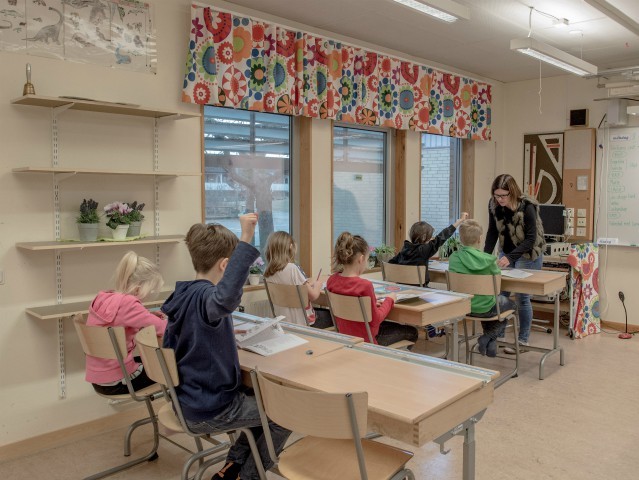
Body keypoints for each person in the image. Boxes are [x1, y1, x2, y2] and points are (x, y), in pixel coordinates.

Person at [161, 214, 290, 480]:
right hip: (210, 407)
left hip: (188, 400)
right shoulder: (208, 298)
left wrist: (226, 330)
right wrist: (245, 237)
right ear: (225, 265)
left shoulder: (183, 293)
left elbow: (197, 330)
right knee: (285, 414)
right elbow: (224, 299)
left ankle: (233, 467)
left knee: (260, 402)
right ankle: (250, 475)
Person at [85, 251, 166, 395]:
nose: (150, 294)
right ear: (138, 287)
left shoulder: (105, 298)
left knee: (150, 359)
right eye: (151, 289)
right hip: (119, 381)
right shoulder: (129, 304)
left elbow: (126, 319)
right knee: (170, 365)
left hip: (100, 378)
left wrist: (148, 315)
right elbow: (163, 329)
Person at [484, 174, 545, 353]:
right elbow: (492, 232)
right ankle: (500, 335)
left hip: (528, 253)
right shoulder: (494, 204)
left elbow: (531, 239)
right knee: (502, 294)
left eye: (504, 195)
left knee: (522, 297)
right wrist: (484, 258)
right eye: (497, 195)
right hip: (507, 251)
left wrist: (510, 257)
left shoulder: (527, 207)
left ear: (513, 192)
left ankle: (523, 340)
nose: (500, 199)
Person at [326, 232, 418, 346]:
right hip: (367, 340)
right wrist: (390, 300)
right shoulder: (365, 286)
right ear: (361, 259)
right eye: (368, 259)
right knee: (412, 332)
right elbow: (376, 320)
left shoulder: (331, 281)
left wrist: (372, 304)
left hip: (345, 337)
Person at [449, 220, 517, 357]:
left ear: (461, 239)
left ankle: (490, 342)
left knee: (487, 303)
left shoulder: (453, 258)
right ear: (480, 239)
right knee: (512, 305)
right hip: (486, 307)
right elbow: (497, 284)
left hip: (464, 307)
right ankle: (488, 337)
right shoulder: (489, 260)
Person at [263, 231, 326, 327]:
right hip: (303, 322)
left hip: (283, 322)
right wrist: (317, 285)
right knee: (332, 316)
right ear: (290, 247)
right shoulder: (292, 268)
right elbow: (313, 296)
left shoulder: (268, 273)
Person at [389, 212, 469, 286]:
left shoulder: (405, 248)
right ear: (424, 237)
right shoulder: (424, 250)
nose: (431, 238)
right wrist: (458, 222)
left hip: (402, 288)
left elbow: (390, 263)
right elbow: (441, 237)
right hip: (420, 290)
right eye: (430, 236)